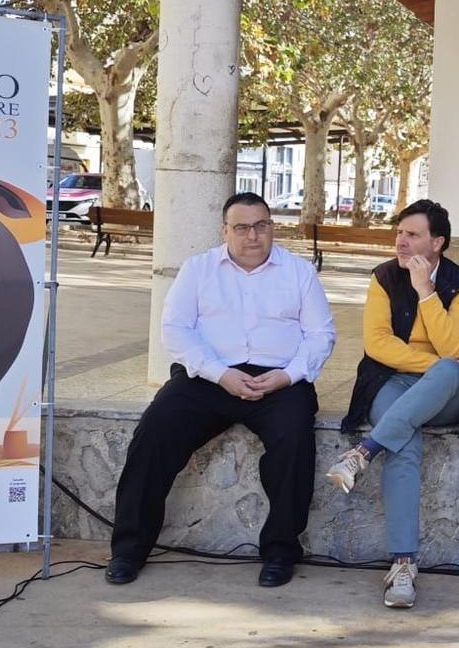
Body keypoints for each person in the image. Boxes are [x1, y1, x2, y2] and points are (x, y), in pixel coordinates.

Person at [107, 192, 335, 589]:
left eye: (262, 225)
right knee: (154, 433)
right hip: (209, 378)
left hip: (277, 380)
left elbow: (321, 335)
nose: (253, 236)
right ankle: (129, 549)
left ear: (272, 227)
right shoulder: (198, 269)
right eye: (242, 227)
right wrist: (219, 373)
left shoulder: (298, 272)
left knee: (295, 441)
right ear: (225, 230)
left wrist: (289, 375)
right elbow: (175, 331)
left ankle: (281, 551)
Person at [328, 199, 459, 609]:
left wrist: (426, 293)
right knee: (405, 441)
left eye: (412, 235)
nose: (401, 241)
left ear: (438, 242)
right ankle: (402, 566)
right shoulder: (382, 278)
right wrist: (437, 364)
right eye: (399, 232)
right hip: (392, 382)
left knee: (451, 374)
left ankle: (362, 454)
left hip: (450, 392)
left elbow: (456, 346)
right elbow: (378, 344)